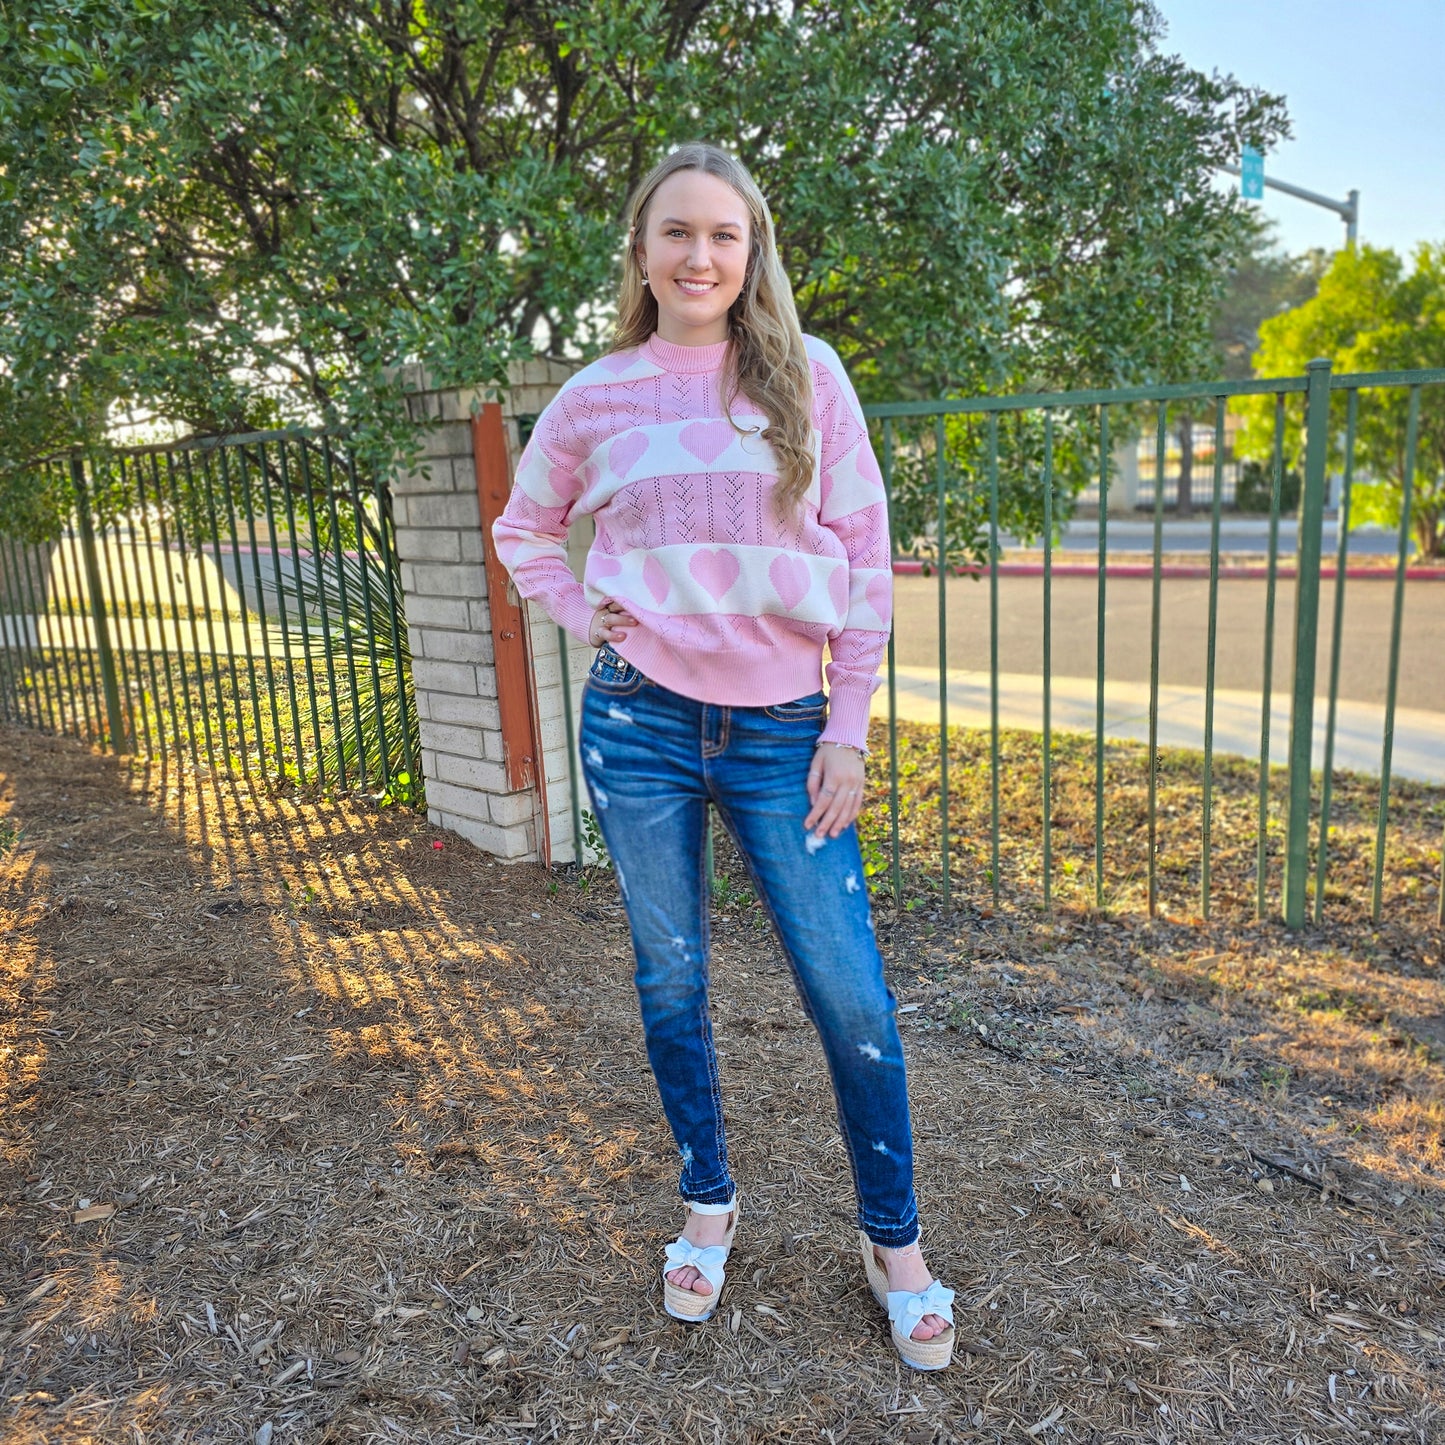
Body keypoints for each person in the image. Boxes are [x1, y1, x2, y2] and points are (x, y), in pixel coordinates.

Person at [492, 143, 954, 1371]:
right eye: (676, 233)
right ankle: (708, 1202)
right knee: (671, 980)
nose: (700, 255)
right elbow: (522, 523)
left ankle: (893, 1244)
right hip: (636, 723)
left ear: (751, 253)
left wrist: (846, 724)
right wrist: (587, 615)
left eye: (724, 235)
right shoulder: (597, 395)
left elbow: (864, 557)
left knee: (849, 995)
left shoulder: (807, 377)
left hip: (784, 733)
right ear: (641, 253)